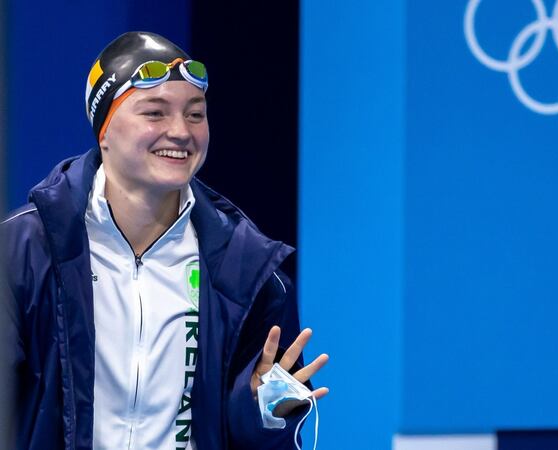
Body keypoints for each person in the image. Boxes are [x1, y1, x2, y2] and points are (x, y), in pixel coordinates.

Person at [0, 31, 328, 449]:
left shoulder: (249, 272)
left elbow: (271, 441)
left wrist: (261, 414)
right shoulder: (22, 253)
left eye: (195, 114)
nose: (180, 131)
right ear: (105, 132)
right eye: (154, 113)